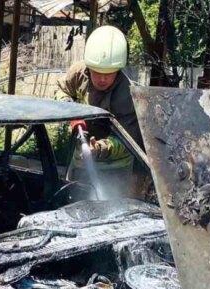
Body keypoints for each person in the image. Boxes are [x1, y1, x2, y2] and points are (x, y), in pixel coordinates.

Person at [57, 25, 151, 200]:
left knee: (111, 210)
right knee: (72, 204)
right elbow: (62, 89)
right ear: (88, 67)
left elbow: (127, 141)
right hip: (81, 160)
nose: (102, 79)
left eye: (108, 74)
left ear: (119, 69)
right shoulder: (78, 73)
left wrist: (100, 148)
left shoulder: (128, 95)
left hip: (116, 166)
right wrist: (70, 110)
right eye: (97, 72)